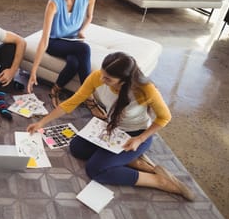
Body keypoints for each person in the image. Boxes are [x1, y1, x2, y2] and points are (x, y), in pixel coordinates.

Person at [26, 52, 195, 201]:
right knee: (77, 148)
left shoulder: (145, 90)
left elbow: (165, 117)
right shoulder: (98, 77)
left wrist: (140, 139)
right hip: (112, 129)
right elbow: (72, 103)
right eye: (102, 73)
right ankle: (131, 160)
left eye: (108, 79)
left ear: (124, 80)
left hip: (136, 135)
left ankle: (158, 180)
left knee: (95, 170)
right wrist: (42, 122)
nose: (101, 79)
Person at [26, 0, 105, 118]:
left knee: (74, 63)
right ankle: (89, 98)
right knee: (84, 49)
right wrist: (33, 71)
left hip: (73, 41)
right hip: (55, 42)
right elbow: (44, 39)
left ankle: (55, 90)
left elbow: (89, 17)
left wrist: (82, 30)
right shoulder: (53, 3)